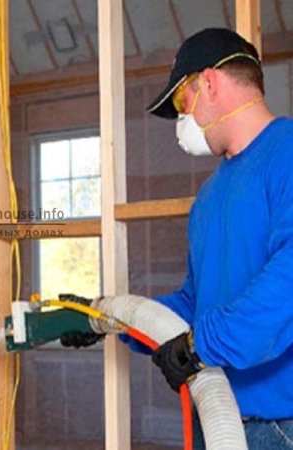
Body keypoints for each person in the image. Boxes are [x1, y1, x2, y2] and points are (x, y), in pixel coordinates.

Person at [63, 28, 293, 449]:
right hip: (213, 414)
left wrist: (203, 345)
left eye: (182, 102)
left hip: (278, 425)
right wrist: (106, 319)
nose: (182, 121)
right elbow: (193, 302)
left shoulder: (287, 154)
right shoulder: (209, 197)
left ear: (209, 82)